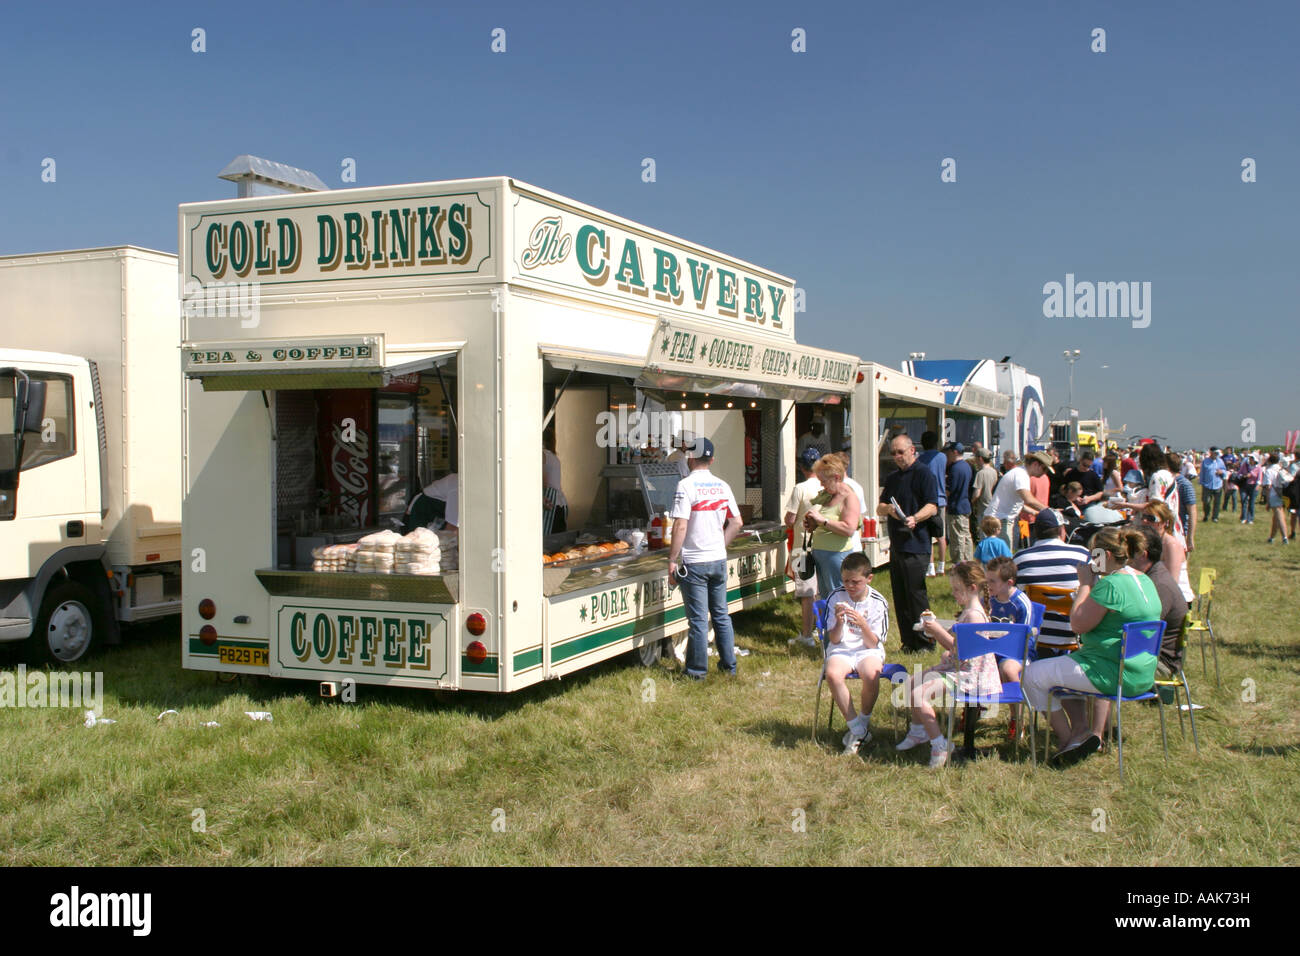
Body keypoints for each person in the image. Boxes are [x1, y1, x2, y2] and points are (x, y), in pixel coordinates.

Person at [1022, 526, 1161, 766]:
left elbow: (1077, 625)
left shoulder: (1111, 586)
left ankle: (1070, 739)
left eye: (1092, 553)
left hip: (1111, 672)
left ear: (1106, 555)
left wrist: (1086, 584)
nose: (1089, 559)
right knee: (1060, 672)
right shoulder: (1145, 580)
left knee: (1032, 675)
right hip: (1142, 673)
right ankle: (1080, 730)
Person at [895, 562, 1000, 768]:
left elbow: (958, 650)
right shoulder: (970, 611)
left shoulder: (974, 616)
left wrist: (936, 631)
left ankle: (939, 744)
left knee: (918, 695)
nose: (953, 593)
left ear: (972, 588)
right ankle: (918, 732)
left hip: (969, 676)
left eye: (957, 589)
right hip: (959, 668)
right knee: (911, 683)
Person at [668, 437, 743, 679]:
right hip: (718, 558)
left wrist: (672, 559)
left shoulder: (686, 485)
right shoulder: (723, 486)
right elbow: (737, 522)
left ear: (690, 458)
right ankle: (729, 666)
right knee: (721, 614)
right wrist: (719, 545)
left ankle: (696, 672)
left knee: (699, 619)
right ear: (712, 460)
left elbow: (680, 525)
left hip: (695, 561)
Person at [823, 552, 891, 754]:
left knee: (871, 674)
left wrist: (862, 625)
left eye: (856, 582)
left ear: (869, 578)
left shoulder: (878, 602)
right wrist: (839, 622)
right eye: (846, 581)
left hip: (867, 649)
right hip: (842, 648)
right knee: (833, 674)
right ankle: (857, 729)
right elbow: (834, 640)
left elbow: (872, 643)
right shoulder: (836, 596)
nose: (850, 587)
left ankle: (862, 722)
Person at [877, 434, 939, 651]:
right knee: (900, 595)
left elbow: (933, 505)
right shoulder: (893, 478)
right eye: (893, 453)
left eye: (900, 452)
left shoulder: (924, 474)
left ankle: (925, 641)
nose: (897, 457)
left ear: (912, 450)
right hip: (898, 544)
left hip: (917, 544)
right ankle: (908, 641)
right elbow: (879, 507)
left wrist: (915, 518)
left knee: (916, 596)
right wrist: (888, 510)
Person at [1012, 508, 1090, 658]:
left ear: (1036, 532)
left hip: (1036, 638)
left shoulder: (1020, 559)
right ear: (1062, 530)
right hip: (1073, 636)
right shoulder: (1082, 554)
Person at [1129, 525, 1188, 679]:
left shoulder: (1158, 585)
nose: (1124, 558)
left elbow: (1142, 629)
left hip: (1159, 664)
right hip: (1149, 655)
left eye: (1127, 553)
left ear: (1142, 555)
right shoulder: (1153, 576)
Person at [804, 454, 861, 601]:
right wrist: (812, 524)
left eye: (824, 481)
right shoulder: (828, 495)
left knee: (839, 597)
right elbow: (825, 523)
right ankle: (829, 623)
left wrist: (822, 521)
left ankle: (842, 623)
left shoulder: (849, 497)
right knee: (826, 597)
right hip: (822, 555)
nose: (822, 485)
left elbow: (849, 529)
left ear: (836, 477)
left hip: (836, 555)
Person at [783, 446, 824, 648]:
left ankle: (807, 635)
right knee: (820, 591)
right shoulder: (826, 487)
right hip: (823, 545)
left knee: (807, 594)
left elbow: (790, 519)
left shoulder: (800, 488)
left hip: (802, 547)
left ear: (801, 467)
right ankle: (820, 629)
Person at [983, 451, 1052, 551]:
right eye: (1044, 468)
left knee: (1000, 559)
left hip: (999, 520)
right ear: (1035, 464)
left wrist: (1034, 512)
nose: (1045, 473)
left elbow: (1016, 503)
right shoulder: (1021, 475)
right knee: (1002, 561)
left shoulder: (1021, 474)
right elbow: (1028, 499)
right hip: (998, 521)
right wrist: (1049, 511)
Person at [986, 555, 1035, 683]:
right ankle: (978, 703)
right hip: (990, 649)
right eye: (987, 580)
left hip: (1017, 653)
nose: (988, 585)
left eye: (992, 581)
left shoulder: (1021, 604)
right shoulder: (988, 599)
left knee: (1008, 669)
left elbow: (1026, 638)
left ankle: (1016, 702)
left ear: (1009, 583)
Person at [917, 431, 948, 577]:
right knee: (941, 534)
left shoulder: (921, 459)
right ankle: (942, 566)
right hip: (941, 499)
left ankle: (930, 568)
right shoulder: (942, 457)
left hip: (927, 501)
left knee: (927, 535)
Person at [943, 442, 973, 564]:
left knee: (958, 536)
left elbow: (950, 490)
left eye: (949, 452)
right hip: (965, 504)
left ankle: (959, 562)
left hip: (956, 506)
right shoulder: (967, 466)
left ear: (955, 452)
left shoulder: (955, 469)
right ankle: (968, 559)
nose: (947, 455)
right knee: (966, 535)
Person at [1169, 453, 1197, 553]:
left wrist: (1189, 538)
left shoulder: (1184, 484)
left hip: (1180, 532)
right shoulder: (1165, 483)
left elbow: (1192, 512)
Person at [969, 447, 999, 540]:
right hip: (992, 506)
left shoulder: (980, 473)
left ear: (980, 458)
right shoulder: (994, 472)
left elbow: (977, 493)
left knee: (984, 535)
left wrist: (971, 503)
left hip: (983, 508)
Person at [542, 431, 567, 533]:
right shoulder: (554, 456)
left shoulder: (542, 455)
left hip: (549, 502)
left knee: (546, 542)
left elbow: (540, 479)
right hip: (561, 504)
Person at [1263, 453, 1289, 544]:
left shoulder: (1269, 471)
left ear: (1269, 460)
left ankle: (1285, 537)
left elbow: (1268, 487)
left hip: (1274, 495)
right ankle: (1272, 537)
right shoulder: (1281, 469)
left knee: (1279, 516)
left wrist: (1268, 501)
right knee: (1276, 517)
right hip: (1284, 494)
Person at [1199, 447, 1227, 523]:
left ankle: (1215, 517)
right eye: (1215, 453)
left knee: (1217, 502)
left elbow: (1224, 470)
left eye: (1217, 453)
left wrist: (1222, 472)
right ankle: (1206, 515)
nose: (1216, 455)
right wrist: (1201, 482)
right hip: (1207, 485)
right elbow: (1202, 473)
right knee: (1206, 502)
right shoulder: (1205, 461)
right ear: (1211, 453)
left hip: (1218, 484)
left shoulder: (1220, 461)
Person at [1235, 454, 1260, 525]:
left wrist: (1257, 485)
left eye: (1252, 458)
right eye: (1250, 458)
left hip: (1253, 486)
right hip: (1244, 485)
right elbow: (1239, 473)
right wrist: (1243, 476)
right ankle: (1244, 517)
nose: (1250, 459)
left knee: (1251, 502)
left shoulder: (1258, 467)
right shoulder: (1245, 465)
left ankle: (1250, 518)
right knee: (1244, 501)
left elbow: (1259, 478)